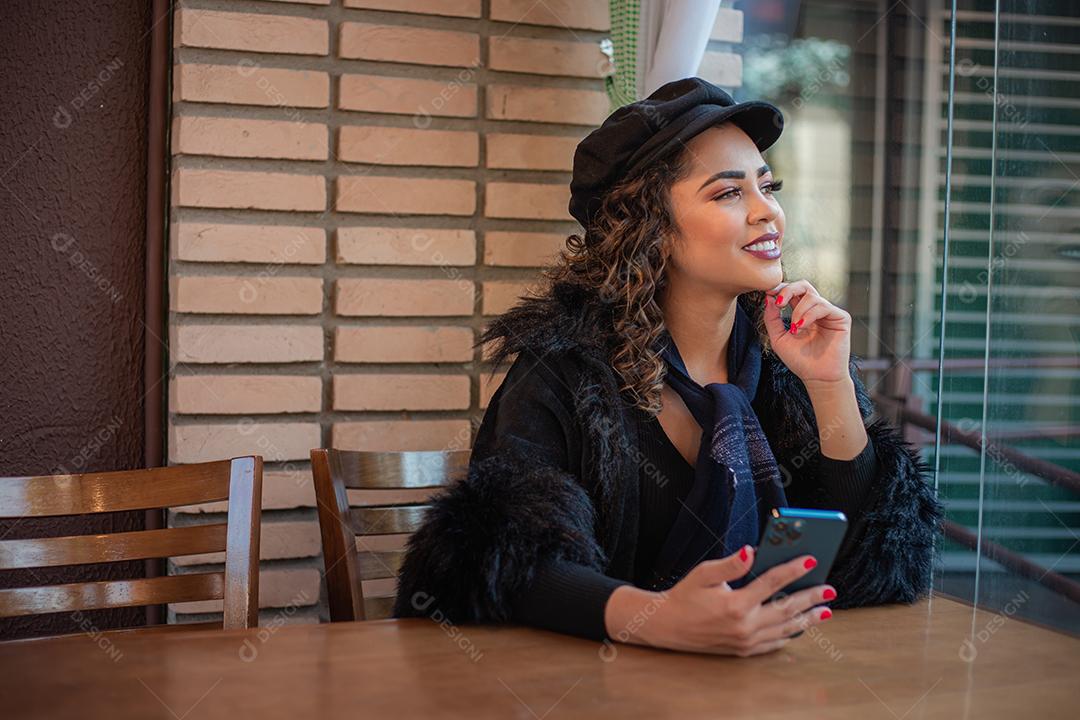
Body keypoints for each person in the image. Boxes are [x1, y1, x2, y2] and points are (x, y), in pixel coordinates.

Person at [393, 77, 943, 657]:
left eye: (767, 185)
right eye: (728, 194)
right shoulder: (564, 374)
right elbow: (502, 559)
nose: (768, 213)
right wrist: (652, 618)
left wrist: (830, 385)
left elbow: (869, 561)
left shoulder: (788, 361)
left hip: (767, 682)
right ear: (650, 227)